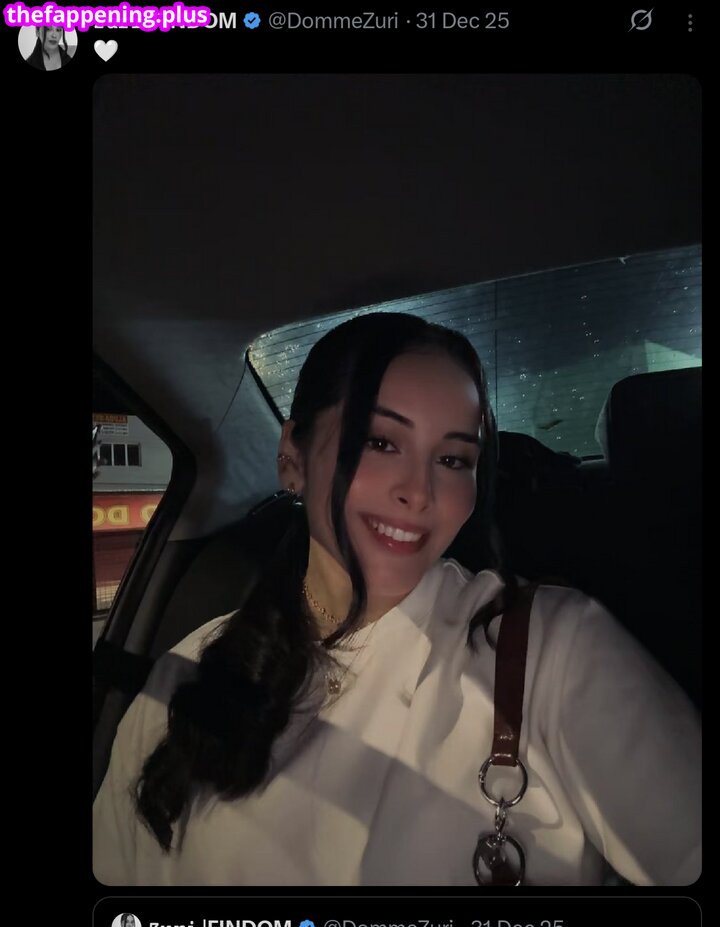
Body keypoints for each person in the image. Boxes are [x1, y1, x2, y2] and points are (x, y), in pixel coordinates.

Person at [93, 312, 701, 886]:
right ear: (292, 456)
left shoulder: (557, 651)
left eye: (453, 458)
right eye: (381, 442)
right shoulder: (184, 678)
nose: (420, 491)